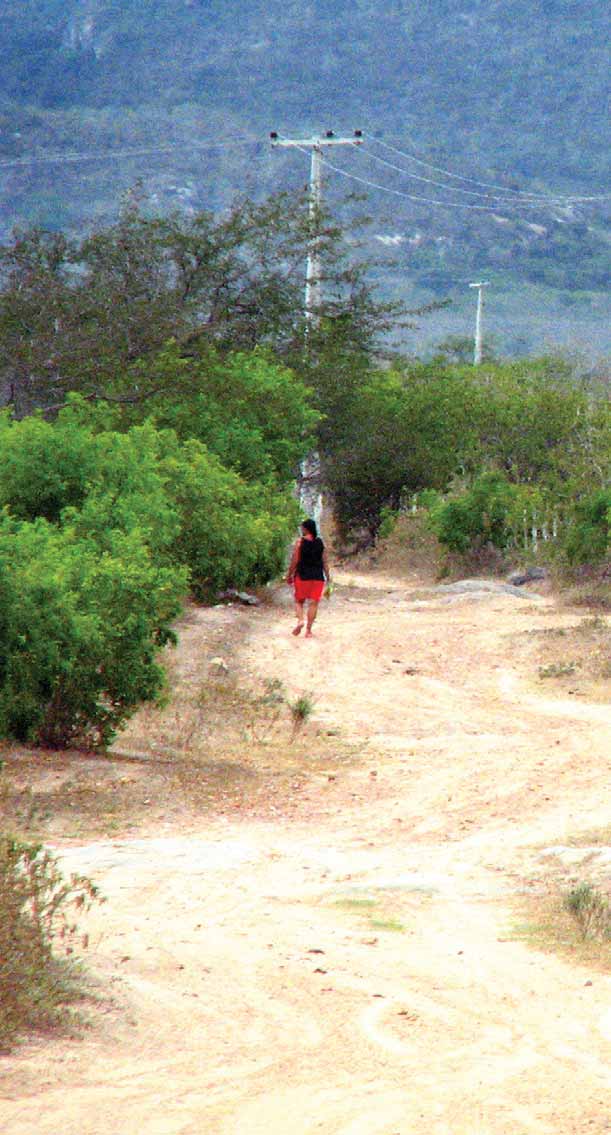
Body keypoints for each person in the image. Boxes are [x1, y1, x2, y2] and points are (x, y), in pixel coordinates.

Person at [286, 518, 331, 637]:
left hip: (302, 576)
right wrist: (328, 578)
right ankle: (308, 631)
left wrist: (289, 575)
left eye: (302, 528)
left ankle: (300, 620)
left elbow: (294, 561)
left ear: (306, 529)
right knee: (314, 603)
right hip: (317, 577)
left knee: (299, 601)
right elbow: (325, 562)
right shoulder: (320, 543)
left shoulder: (300, 542)